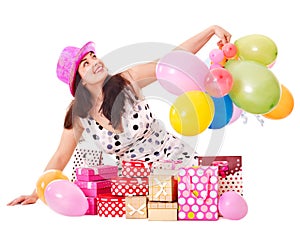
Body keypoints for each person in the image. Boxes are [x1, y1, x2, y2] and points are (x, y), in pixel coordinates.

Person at [7, 25, 231, 206]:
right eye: (86, 64)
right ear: (79, 81)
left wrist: (210, 31)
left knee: (197, 206)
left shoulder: (127, 81)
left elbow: (172, 60)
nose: (95, 62)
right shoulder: (79, 114)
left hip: (176, 162)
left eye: (93, 57)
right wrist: (38, 192)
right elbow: (60, 156)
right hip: (136, 184)